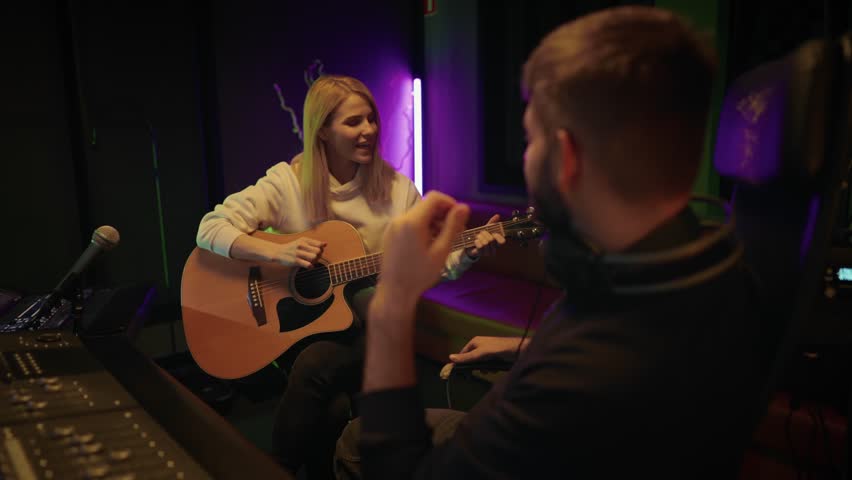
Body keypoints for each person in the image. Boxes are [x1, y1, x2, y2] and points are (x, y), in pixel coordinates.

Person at [336, 6, 773, 479]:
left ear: (566, 157)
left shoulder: (579, 377)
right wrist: (521, 348)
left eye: (530, 139)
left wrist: (392, 306)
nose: (526, 157)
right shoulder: (724, 268)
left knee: (354, 441)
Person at [195, 75, 504, 479]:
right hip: (299, 324)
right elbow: (210, 228)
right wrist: (277, 251)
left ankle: (273, 469)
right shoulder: (287, 183)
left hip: (371, 329)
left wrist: (466, 256)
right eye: (354, 122)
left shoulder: (397, 190)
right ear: (322, 130)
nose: (369, 131)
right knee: (332, 409)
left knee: (315, 367)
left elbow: (422, 269)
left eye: (372, 120)